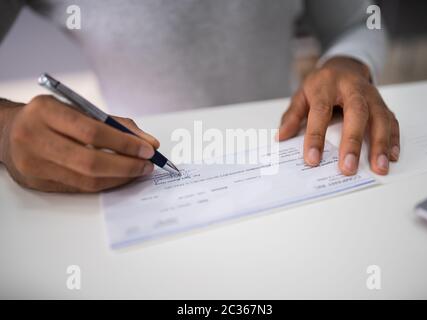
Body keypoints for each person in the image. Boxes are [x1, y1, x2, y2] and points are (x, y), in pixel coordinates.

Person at [0, 0, 399, 192]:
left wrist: (348, 63)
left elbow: (362, 19)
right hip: (125, 169)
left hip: (285, 146)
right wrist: (6, 127)